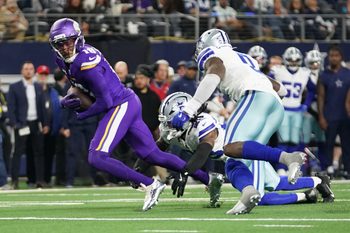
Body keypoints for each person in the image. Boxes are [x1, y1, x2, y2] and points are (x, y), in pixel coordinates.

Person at [49, 18, 219, 211]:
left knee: (97, 156)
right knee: (153, 154)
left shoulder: (87, 62)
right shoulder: (61, 60)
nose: (64, 47)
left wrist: (84, 113)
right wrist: (67, 99)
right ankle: (209, 179)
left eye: (68, 41)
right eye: (59, 43)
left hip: (119, 104)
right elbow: (77, 86)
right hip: (126, 102)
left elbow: (106, 101)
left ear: (78, 38)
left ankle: (150, 184)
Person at [171, 29, 306, 215]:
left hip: (253, 97)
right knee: (241, 155)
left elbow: (214, 73)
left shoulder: (214, 55)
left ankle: (288, 158)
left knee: (229, 149)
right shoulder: (243, 58)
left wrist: (189, 109)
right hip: (275, 106)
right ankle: (250, 192)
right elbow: (280, 89)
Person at [157, 92, 334, 206]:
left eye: (172, 121)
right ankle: (318, 182)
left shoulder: (203, 123)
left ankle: (306, 196)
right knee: (275, 183)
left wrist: (186, 171)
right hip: (236, 157)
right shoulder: (171, 131)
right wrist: (138, 170)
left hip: (241, 155)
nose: (168, 126)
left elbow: (203, 151)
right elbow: (154, 150)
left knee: (259, 197)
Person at [270, 47, 313, 175]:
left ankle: (292, 167)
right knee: (283, 140)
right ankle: (280, 167)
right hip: (282, 109)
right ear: (285, 60)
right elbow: (267, 82)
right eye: (291, 60)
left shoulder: (305, 73)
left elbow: (312, 89)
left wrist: (306, 104)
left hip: (297, 110)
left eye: (296, 61)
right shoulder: (278, 71)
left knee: (294, 141)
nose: (293, 63)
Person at [7, 61, 49, 189]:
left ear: (33, 71)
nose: (28, 71)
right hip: (22, 124)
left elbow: (42, 107)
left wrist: (45, 123)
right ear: (22, 71)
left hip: (36, 123)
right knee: (18, 152)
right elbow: (11, 107)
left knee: (39, 152)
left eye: (31, 69)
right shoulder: (15, 87)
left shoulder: (37, 87)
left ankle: (40, 180)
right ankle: (14, 181)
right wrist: (15, 124)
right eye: (26, 69)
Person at [317, 45, 350, 179]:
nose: (334, 58)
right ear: (328, 57)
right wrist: (321, 116)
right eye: (331, 56)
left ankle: (348, 170)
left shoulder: (348, 73)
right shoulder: (324, 75)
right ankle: (328, 169)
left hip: (345, 116)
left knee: (347, 144)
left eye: (336, 55)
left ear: (341, 57)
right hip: (329, 115)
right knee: (328, 144)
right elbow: (320, 97)